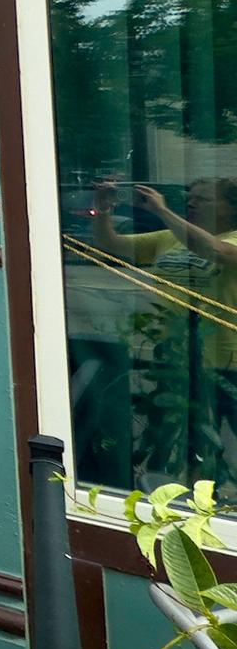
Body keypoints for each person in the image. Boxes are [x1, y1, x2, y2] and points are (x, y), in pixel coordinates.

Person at [92, 177, 237, 490]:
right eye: (191, 197)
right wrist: (103, 211)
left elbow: (216, 251)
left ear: (232, 208)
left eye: (205, 199)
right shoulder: (169, 237)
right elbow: (112, 245)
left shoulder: (231, 239)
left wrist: (162, 211)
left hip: (230, 360)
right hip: (179, 356)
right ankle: (201, 500)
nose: (193, 203)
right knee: (194, 440)